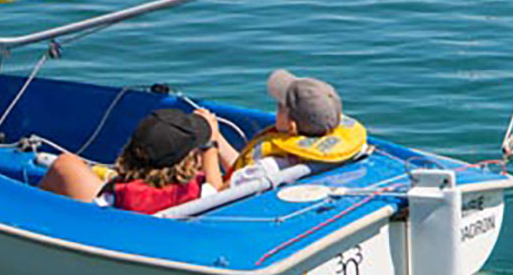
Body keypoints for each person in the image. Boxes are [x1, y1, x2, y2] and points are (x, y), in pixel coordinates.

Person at [39, 106, 238, 212]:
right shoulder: (201, 195)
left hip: (116, 231)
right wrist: (211, 143)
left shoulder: (114, 198)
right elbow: (216, 187)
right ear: (188, 159)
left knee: (65, 164)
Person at [233, 69, 367, 171]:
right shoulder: (356, 150)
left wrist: (211, 148)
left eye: (279, 108)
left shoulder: (266, 168)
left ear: (292, 127)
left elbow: (222, 191)